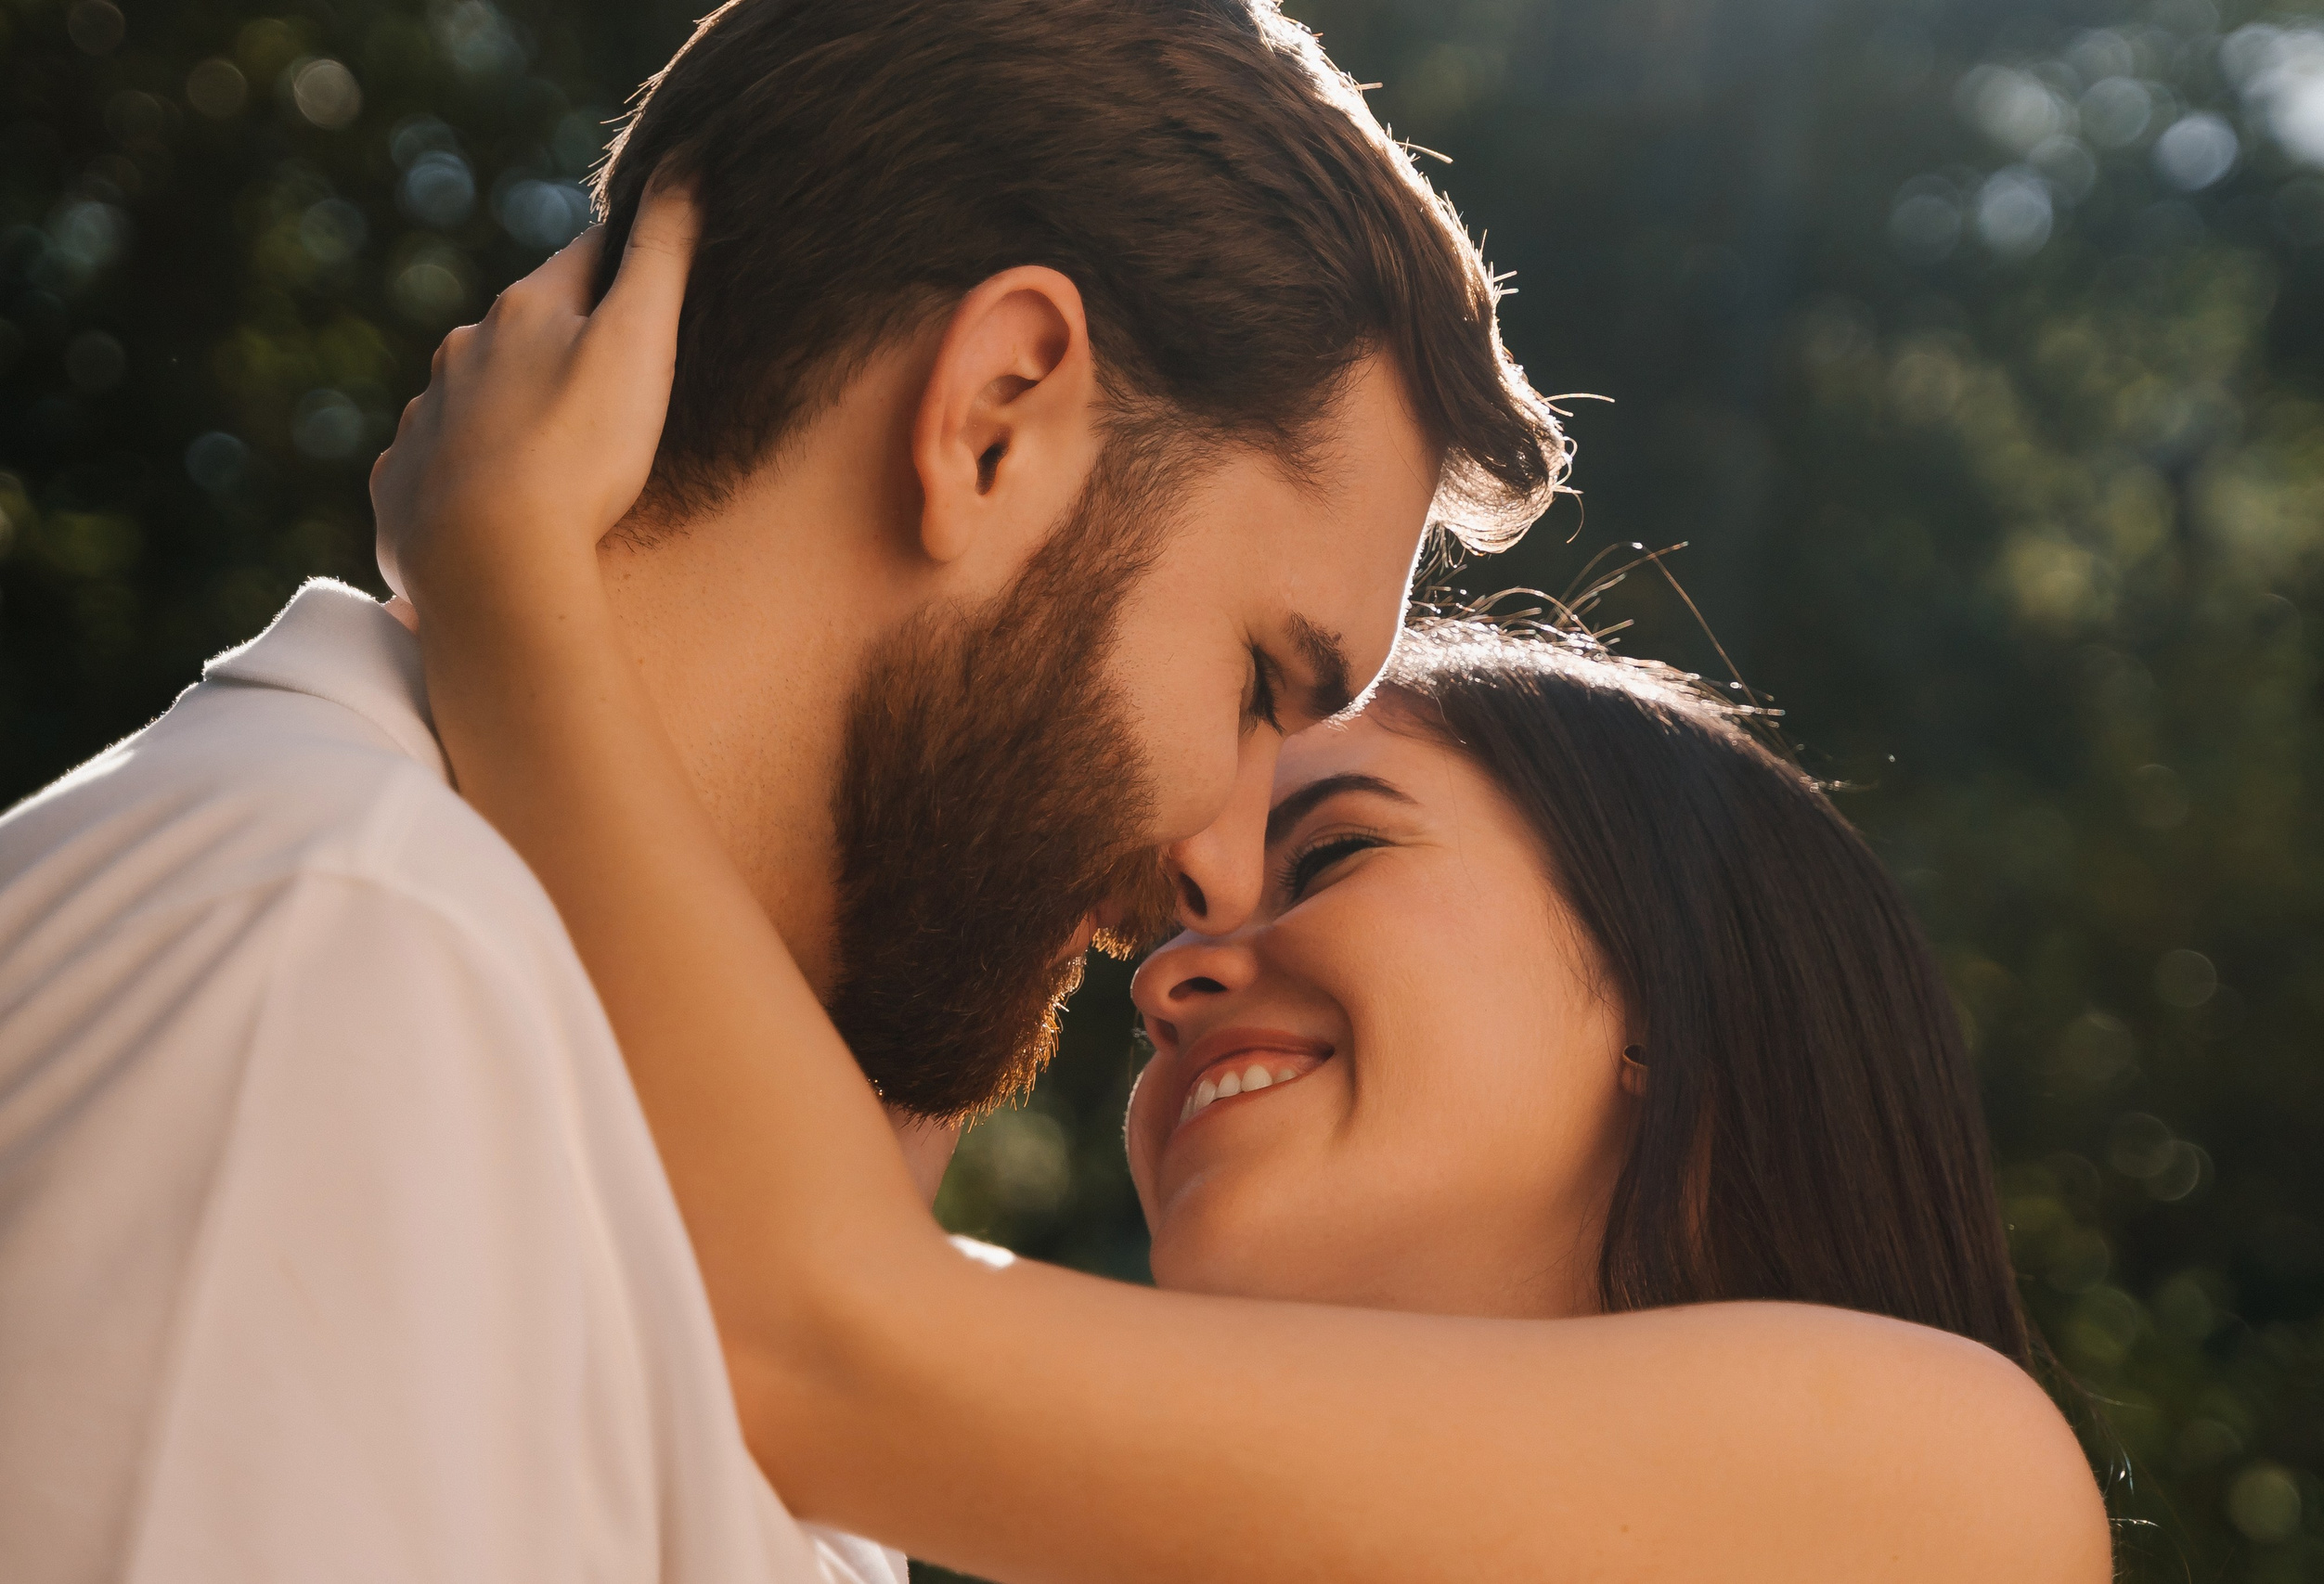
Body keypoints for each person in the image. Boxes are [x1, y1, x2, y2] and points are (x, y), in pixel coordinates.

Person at [0, 3, 1563, 1580]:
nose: (1225, 876)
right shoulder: (339, 964)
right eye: (1253, 684)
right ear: (996, 416)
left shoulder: (624, 1148)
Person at [377, 179, 2114, 1582]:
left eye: (1333, 853)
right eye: (1189, 897)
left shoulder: (1944, 1481)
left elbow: (805, 1333)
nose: (1167, 965)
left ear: (1679, 995)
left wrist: (511, 581)